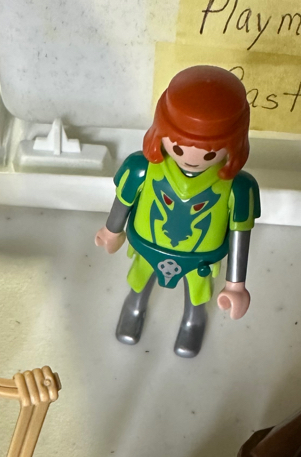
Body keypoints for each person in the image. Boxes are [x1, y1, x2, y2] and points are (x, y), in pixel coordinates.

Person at [95, 65, 259, 358]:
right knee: (139, 282)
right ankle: (134, 308)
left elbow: (240, 234)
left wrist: (235, 284)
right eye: (180, 148)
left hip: (199, 258)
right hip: (148, 245)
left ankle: (193, 320)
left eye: (210, 153)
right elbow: (123, 201)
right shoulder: (142, 169)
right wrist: (111, 230)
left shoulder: (237, 188)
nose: (192, 159)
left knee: (197, 294)